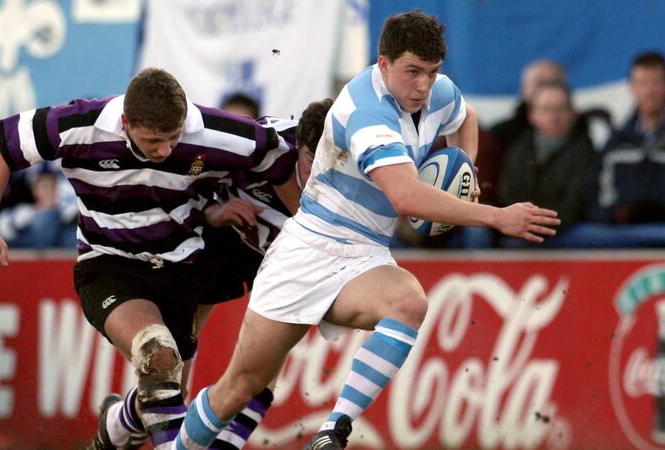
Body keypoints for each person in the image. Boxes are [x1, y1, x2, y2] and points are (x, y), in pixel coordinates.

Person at [172, 10, 560, 450]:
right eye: (412, 71)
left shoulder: (434, 91)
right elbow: (406, 198)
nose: (423, 86)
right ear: (383, 64)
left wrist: (464, 168)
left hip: (365, 251)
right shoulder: (367, 112)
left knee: (408, 302)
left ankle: (332, 432)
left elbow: (464, 115)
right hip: (308, 248)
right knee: (240, 387)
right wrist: (495, 215)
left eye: (431, 73)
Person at [0, 68, 301, 449]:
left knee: (166, 390)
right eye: (153, 141)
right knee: (157, 355)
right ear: (125, 122)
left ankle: (116, 424)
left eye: (174, 139)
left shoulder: (213, 130)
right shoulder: (79, 124)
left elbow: (274, 156)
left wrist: (303, 230)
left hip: (181, 268)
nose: (164, 151)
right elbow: (1, 152)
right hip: (109, 262)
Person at [89, 98, 334, 450]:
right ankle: (118, 421)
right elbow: (187, 173)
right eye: (313, 159)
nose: (320, 172)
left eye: (331, 161)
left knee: (261, 369)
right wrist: (214, 210)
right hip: (220, 244)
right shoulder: (260, 146)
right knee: (172, 382)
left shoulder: (352, 169)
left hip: (282, 258)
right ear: (298, 146)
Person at [590, 51, 665, 224]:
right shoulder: (617, 142)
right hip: (626, 243)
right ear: (631, 87)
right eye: (642, 83)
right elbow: (595, 196)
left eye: (656, 82)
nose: (649, 91)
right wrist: (616, 215)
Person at [497, 81, 597, 239]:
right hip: (520, 233)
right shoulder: (519, 150)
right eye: (546, 109)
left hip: (568, 231)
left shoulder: (587, 153)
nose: (554, 116)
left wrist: (534, 222)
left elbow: (576, 204)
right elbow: (508, 195)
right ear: (532, 115)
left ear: (573, 113)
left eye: (560, 109)